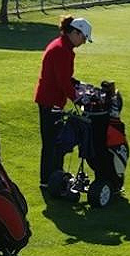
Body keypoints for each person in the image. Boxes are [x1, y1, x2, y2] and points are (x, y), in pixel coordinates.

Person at [33, 15, 93, 188]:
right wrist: (78, 98)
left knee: (54, 141)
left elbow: (64, 77)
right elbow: (62, 82)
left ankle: (55, 177)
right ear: (75, 32)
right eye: (83, 38)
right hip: (50, 100)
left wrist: (77, 84)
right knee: (52, 142)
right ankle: (48, 180)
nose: (83, 42)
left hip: (51, 99)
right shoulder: (61, 50)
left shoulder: (62, 46)